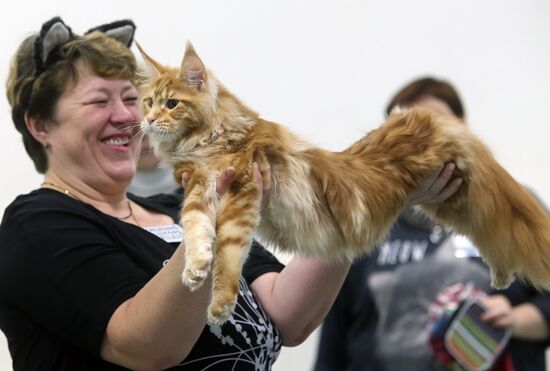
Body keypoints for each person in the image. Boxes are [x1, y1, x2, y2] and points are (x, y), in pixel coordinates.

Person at [0, 19, 458, 371]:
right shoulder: (36, 224)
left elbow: (288, 314)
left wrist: (370, 195)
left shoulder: (170, 209)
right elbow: (147, 347)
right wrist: (211, 230)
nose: (127, 116)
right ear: (40, 126)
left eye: (131, 98)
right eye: (100, 101)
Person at [313, 77, 550, 371]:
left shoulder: (511, 205)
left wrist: (517, 320)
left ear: (462, 126)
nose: (422, 139)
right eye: (403, 128)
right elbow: (334, 334)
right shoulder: (367, 217)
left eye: (434, 121)